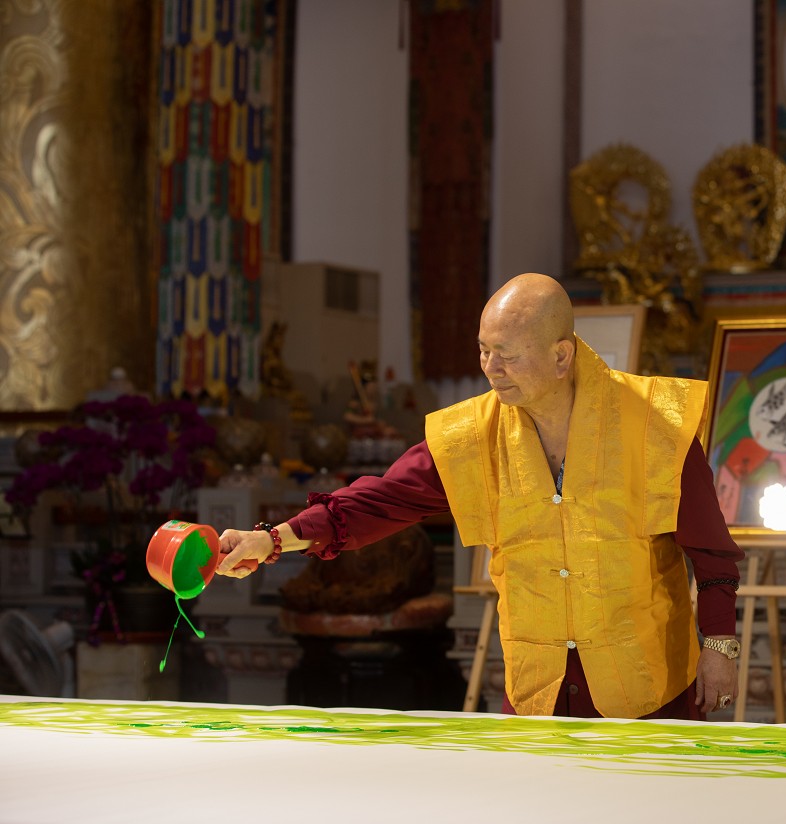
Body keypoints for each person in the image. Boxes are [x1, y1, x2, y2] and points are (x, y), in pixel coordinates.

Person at [217, 273, 744, 720]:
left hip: (649, 691)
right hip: (537, 696)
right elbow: (379, 501)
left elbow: (712, 554)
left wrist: (719, 646)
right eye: (484, 351)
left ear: (561, 356)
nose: (491, 368)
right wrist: (273, 540)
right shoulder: (474, 435)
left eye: (507, 356)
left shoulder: (655, 423)